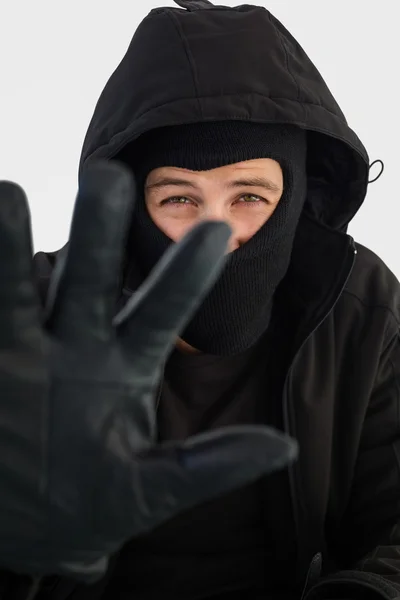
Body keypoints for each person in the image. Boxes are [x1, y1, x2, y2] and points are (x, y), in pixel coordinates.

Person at [2, 0, 400, 598]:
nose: (219, 235)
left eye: (249, 196)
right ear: (134, 206)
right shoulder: (32, 321)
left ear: (293, 200)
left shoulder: (358, 306)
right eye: (180, 200)